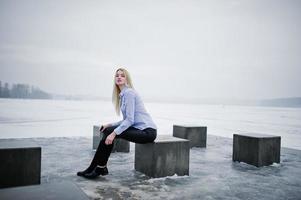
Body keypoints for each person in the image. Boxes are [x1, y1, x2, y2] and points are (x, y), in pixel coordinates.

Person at [77, 68, 157, 179]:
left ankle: (99, 168)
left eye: (122, 75)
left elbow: (130, 120)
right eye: (117, 75)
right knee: (107, 130)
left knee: (110, 132)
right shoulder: (123, 95)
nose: (119, 77)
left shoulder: (129, 93)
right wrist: (110, 125)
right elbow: (127, 120)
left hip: (147, 132)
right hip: (139, 130)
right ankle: (94, 168)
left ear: (127, 79)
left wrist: (114, 133)